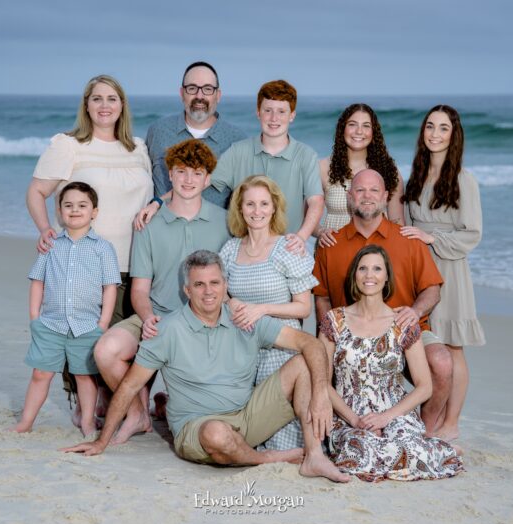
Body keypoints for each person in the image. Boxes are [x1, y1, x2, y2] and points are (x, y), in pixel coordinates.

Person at [63, 250, 350, 484]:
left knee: (303, 363)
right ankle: (269, 457)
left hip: (247, 415)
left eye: (214, 283)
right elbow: (129, 386)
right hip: (198, 427)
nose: (208, 291)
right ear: (187, 290)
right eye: (199, 285)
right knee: (216, 433)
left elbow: (310, 345)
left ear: (225, 286)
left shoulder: (244, 319)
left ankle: (313, 456)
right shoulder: (168, 330)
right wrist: (102, 441)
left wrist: (322, 393)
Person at [25, 74, 153, 418]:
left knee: (128, 346)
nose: (105, 105)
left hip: (137, 264)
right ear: (86, 105)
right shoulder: (68, 145)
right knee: (88, 344)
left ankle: (127, 409)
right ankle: (92, 410)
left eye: (112, 98)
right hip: (83, 264)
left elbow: (152, 199)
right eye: (97, 98)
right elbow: (37, 191)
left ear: (122, 105)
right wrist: (44, 230)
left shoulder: (138, 148)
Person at [93, 139, 230, 444]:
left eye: (196, 173)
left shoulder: (224, 222)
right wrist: (150, 317)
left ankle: (166, 404)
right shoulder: (148, 224)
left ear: (207, 179)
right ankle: (138, 413)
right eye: (181, 172)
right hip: (156, 316)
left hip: (202, 324)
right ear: (170, 174)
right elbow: (139, 289)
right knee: (106, 351)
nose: (188, 180)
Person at [312, 169, 453, 435]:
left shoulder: (408, 240)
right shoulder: (330, 244)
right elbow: (322, 297)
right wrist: (328, 337)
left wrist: (414, 311)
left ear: (386, 196)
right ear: (349, 197)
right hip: (351, 336)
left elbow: (432, 291)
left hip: (405, 331)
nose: (367, 196)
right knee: (320, 367)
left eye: (374, 190)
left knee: (442, 362)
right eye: (360, 191)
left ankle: (426, 430)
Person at [319, 245, 463, 481]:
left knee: (407, 447)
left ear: (386, 277)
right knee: (361, 452)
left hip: (395, 413)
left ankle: (434, 449)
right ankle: (432, 450)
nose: (369, 275)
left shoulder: (402, 322)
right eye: (363, 268)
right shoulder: (334, 320)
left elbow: (424, 386)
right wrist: (356, 420)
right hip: (347, 414)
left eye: (377, 269)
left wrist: (386, 417)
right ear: (354, 274)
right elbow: (322, 381)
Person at [136, 80, 321, 254]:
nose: (274, 118)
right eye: (268, 110)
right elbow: (198, 184)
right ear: (258, 113)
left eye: (281, 111)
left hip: (289, 246)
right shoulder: (238, 151)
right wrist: (158, 202)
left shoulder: (306, 156)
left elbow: (315, 202)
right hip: (247, 249)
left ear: (292, 116)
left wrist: (301, 237)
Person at [400, 104, 486, 441]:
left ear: (454, 135)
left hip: (449, 269)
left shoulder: (465, 180)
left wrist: (432, 237)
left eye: (443, 128)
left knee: (452, 348)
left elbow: (472, 234)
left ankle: (450, 425)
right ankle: (427, 418)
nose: (435, 134)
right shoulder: (416, 176)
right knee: (423, 346)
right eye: (430, 127)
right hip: (418, 269)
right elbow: (407, 225)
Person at [10, 182, 120, 437]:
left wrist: (102, 324)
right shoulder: (51, 244)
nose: (74, 210)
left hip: (87, 325)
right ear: (59, 211)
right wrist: (34, 318)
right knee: (40, 373)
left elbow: (110, 287)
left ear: (94, 212)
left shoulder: (103, 248)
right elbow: (38, 281)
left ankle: (88, 422)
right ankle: (25, 423)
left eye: (82, 205)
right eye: (68, 205)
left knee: (84, 376)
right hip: (51, 324)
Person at [218, 175, 318, 451]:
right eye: (250, 204)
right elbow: (221, 292)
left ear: (274, 208)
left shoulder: (288, 248)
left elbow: (304, 307)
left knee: (280, 439)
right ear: (240, 208)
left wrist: (262, 310)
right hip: (241, 347)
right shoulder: (230, 249)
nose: (257, 211)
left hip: (280, 348)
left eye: (264, 204)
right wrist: (230, 302)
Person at [145, 61, 246, 207]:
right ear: (182, 93)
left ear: (218, 95)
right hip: (162, 227)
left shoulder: (236, 139)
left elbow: (242, 198)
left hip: (215, 228)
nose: (199, 96)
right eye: (192, 88)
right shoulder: (158, 131)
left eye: (207, 89)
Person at [317, 103, 404, 248]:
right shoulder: (323, 167)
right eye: (352, 124)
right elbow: (307, 218)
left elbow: (397, 222)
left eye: (366, 126)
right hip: (334, 248)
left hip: (376, 251)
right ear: (342, 129)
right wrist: (321, 232)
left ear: (373, 132)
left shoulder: (388, 169)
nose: (359, 131)